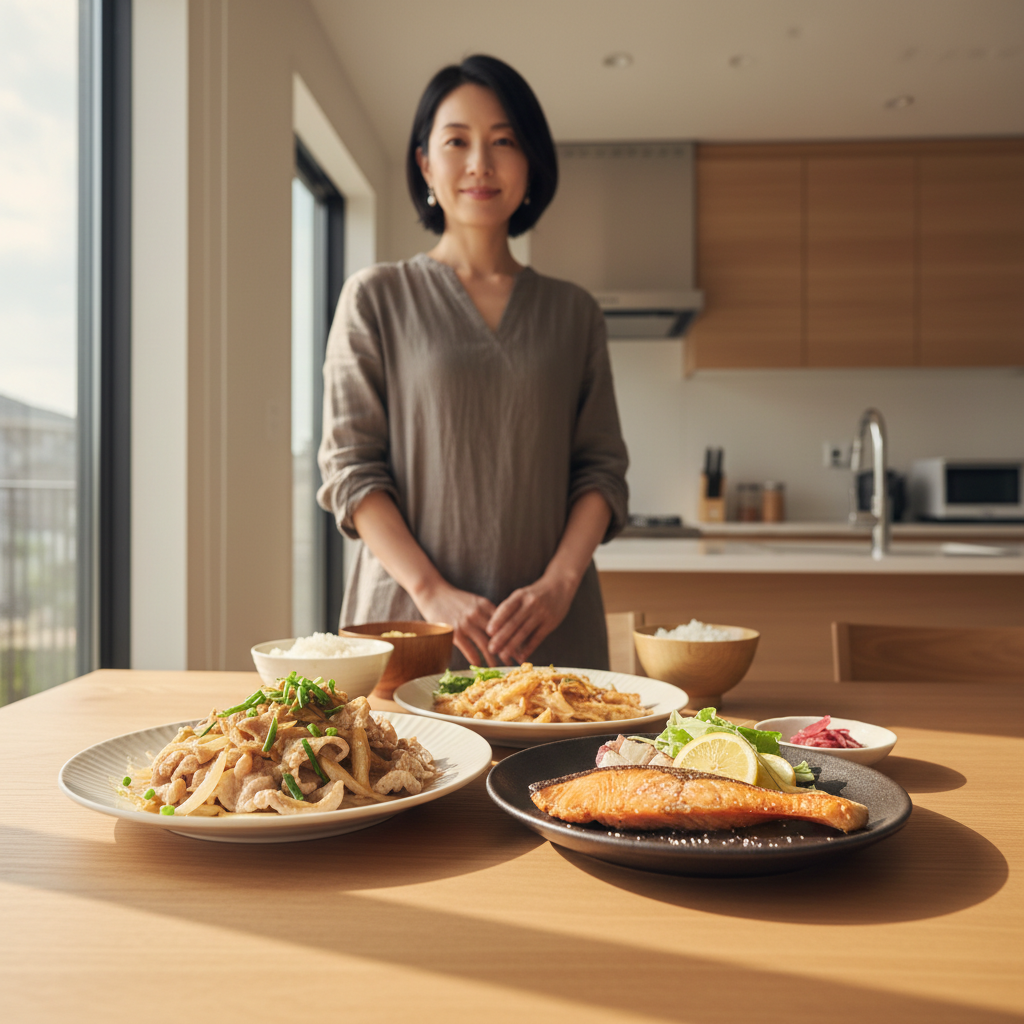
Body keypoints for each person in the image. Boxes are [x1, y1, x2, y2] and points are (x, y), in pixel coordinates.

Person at [317, 54, 628, 670]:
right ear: (426, 163)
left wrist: (560, 585)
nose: (480, 163)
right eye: (457, 141)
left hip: (551, 638)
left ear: (530, 163)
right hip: (410, 632)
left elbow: (601, 471)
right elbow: (351, 472)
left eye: (504, 141)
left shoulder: (574, 312)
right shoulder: (376, 296)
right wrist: (433, 595)